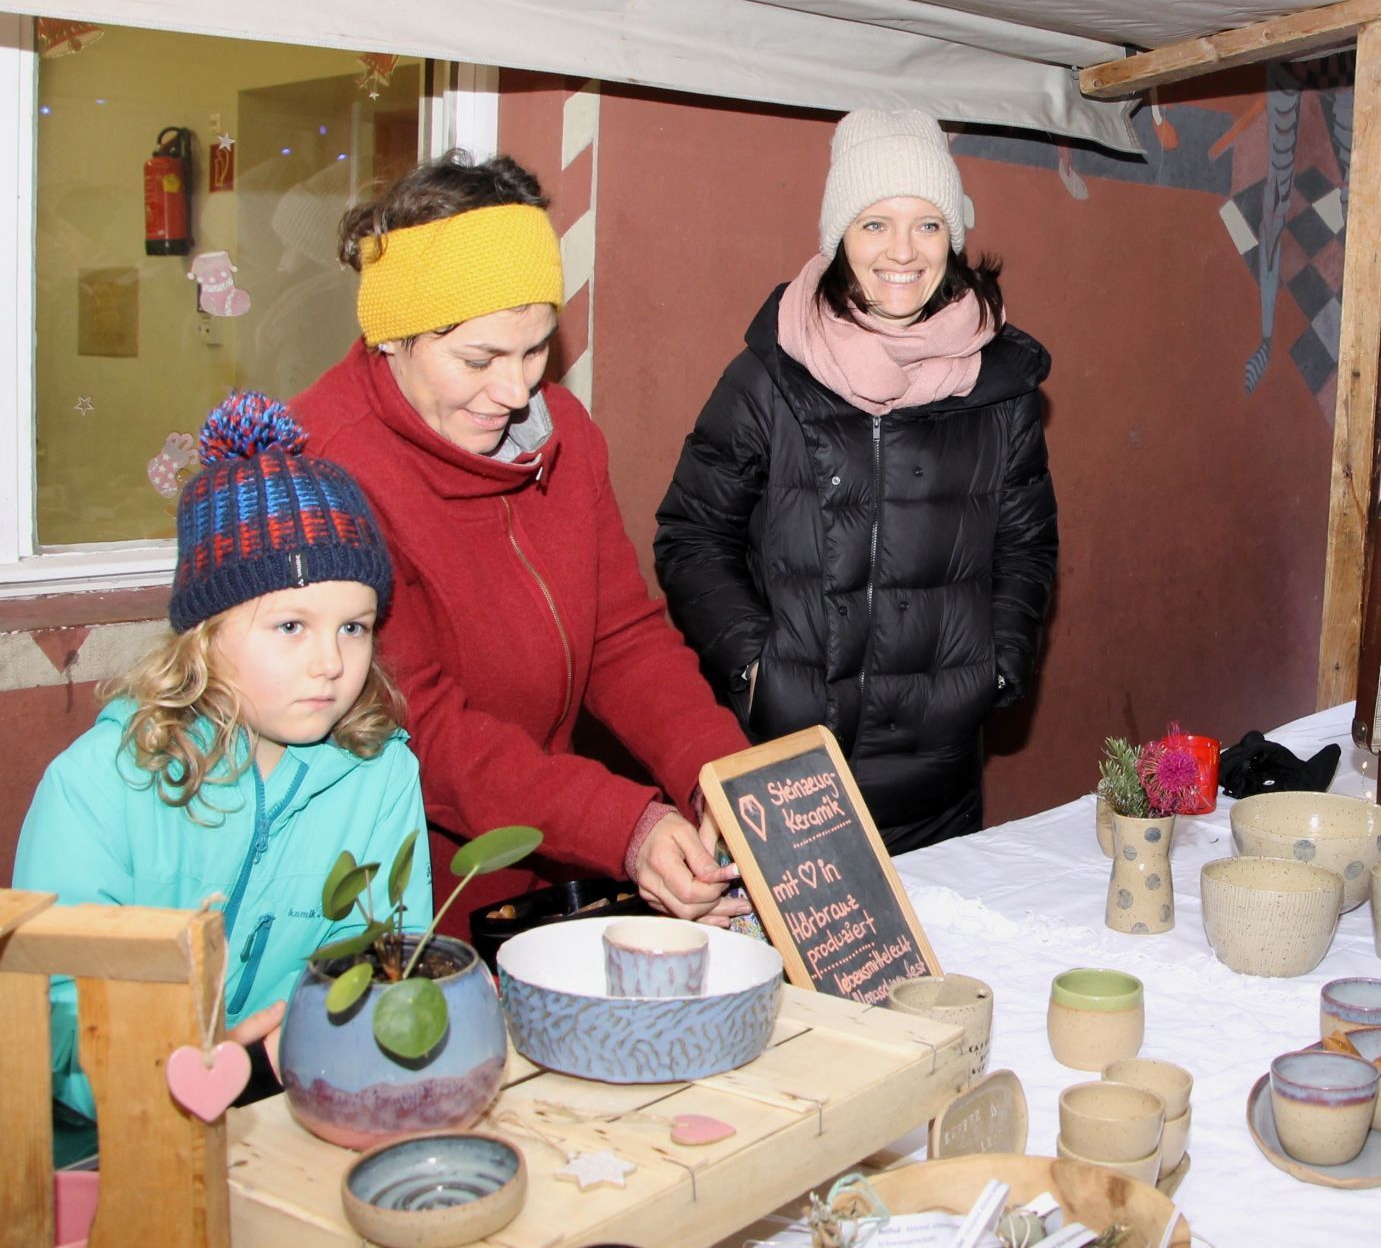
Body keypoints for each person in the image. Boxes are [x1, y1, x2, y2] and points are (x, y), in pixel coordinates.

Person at [293, 153, 750, 930]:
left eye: (535, 349)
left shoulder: (564, 433)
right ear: (393, 336)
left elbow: (620, 635)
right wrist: (623, 825)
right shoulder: (325, 469)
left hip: (547, 854)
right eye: (478, 359)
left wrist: (721, 774)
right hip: (402, 889)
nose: (514, 392)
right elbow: (418, 723)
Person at [15, 392, 429, 1157]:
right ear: (204, 636)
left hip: (301, 1121)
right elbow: (53, 1020)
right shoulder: (95, 787)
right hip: (104, 1147)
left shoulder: (381, 774)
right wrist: (190, 1069)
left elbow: (382, 957)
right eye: (290, 625)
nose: (331, 661)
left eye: (354, 626)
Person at [655, 109, 1058, 852]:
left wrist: (998, 667)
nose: (902, 251)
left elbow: (1026, 547)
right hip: (789, 773)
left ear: (952, 237)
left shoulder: (1000, 388)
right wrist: (755, 669)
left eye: (927, 224)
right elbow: (692, 534)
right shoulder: (771, 374)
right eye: (875, 223)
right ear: (840, 234)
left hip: (939, 782)